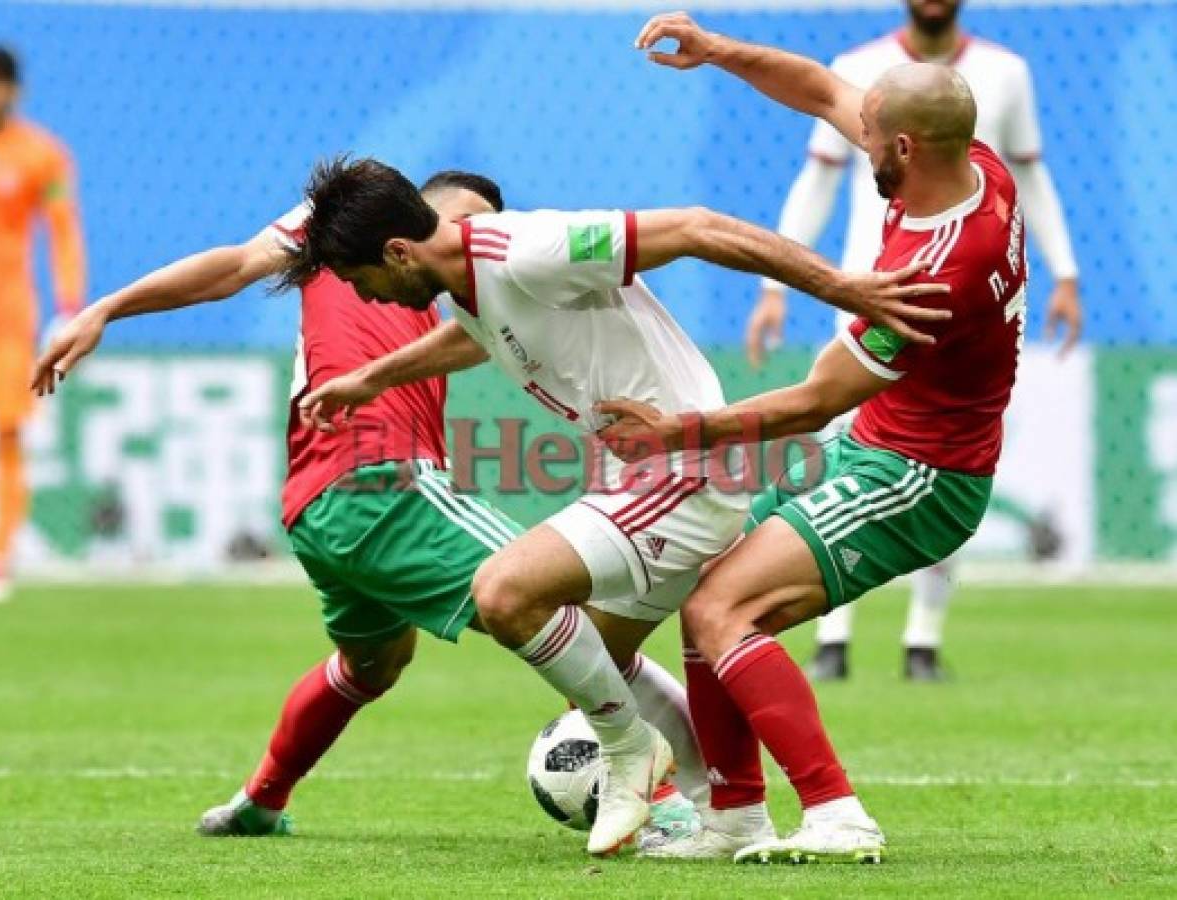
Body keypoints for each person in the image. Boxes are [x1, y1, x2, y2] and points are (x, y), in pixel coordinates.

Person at [294, 158, 947, 855]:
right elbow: (475, 334)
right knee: (601, 653)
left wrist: (842, 286)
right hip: (640, 474)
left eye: (364, 282)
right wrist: (370, 378)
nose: (367, 301)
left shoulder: (527, 249)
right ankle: (731, 819)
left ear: (397, 253)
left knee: (504, 593)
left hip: (683, 469)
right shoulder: (469, 284)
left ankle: (629, 751)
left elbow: (696, 228)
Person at [32, 172, 709, 843]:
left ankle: (260, 800)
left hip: (317, 510)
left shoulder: (466, 289)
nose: (468, 235)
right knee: (561, 611)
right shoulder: (345, 232)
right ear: (418, 212)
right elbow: (234, 265)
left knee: (372, 665)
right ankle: (678, 799)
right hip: (382, 487)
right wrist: (106, 309)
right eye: (462, 218)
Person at [601, 13, 1029, 863]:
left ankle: (836, 813)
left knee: (726, 606)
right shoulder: (970, 163)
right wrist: (720, 50)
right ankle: (732, 815)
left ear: (903, 147)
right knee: (705, 592)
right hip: (875, 445)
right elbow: (825, 89)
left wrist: (671, 433)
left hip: (919, 476)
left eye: (868, 132)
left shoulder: (931, 275)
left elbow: (809, 401)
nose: (849, 129)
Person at [743, 0, 1082, 681]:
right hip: (869, 294)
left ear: (902, 145)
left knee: (923, 453)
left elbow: (1033, 172)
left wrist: (1065, 271)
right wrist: (776, 286)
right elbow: (819, 159)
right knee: (852, 454)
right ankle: (832, 640)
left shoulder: (1002, 74)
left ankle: (921, 637)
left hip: (928, 301)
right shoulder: (863, 69)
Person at [0, 45, 86, 602]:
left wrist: (69, 305)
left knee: (9, 429)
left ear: (14, 91)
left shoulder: (42, 154)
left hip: (5, 316)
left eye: (0, 85)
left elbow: (62, 230)